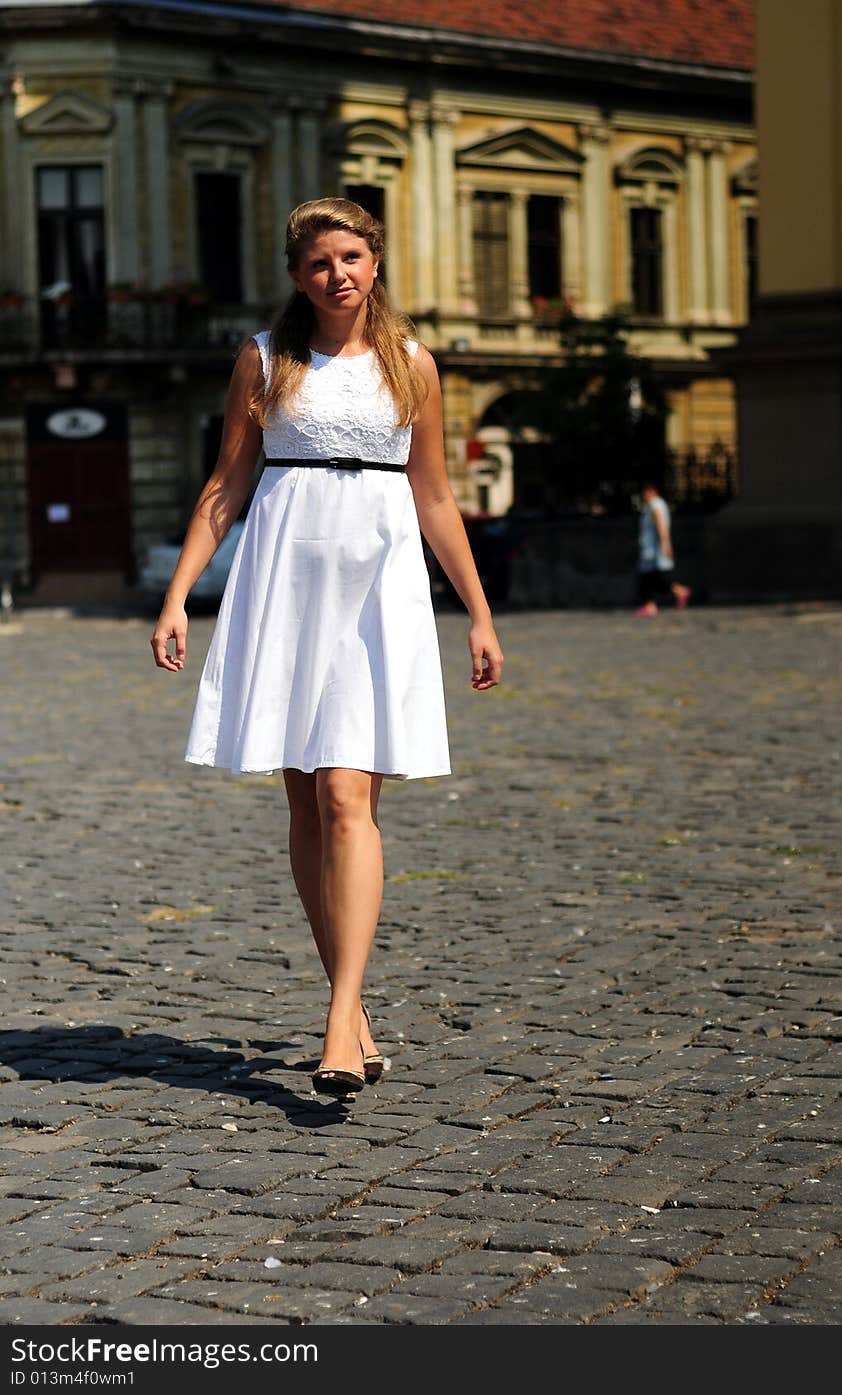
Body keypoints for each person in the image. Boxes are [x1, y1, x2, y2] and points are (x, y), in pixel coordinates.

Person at [150, 198, 504, 1098]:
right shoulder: (265, 361)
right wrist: (180, 595)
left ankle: (340, 1019)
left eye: (351, 256)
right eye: (318, 262)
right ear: (298, 275)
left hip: (378, 587)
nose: (336, 274)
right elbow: (228, 485)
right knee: (306, 801)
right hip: (283, 580)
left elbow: (433, 499)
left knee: (349, 792)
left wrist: (479, 613)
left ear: (375, 261)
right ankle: (352, 1008)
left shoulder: (411, 364)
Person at [635, 481, 691, 616]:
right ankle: (679, 591)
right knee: (654, 578)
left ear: (652, 491)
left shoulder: (655, 505)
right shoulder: (655, 505)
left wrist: (665, 544)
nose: (644, 496)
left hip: (653, 549)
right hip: (651, 548)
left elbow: (661, 524)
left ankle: (651, 605)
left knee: (647, 578)